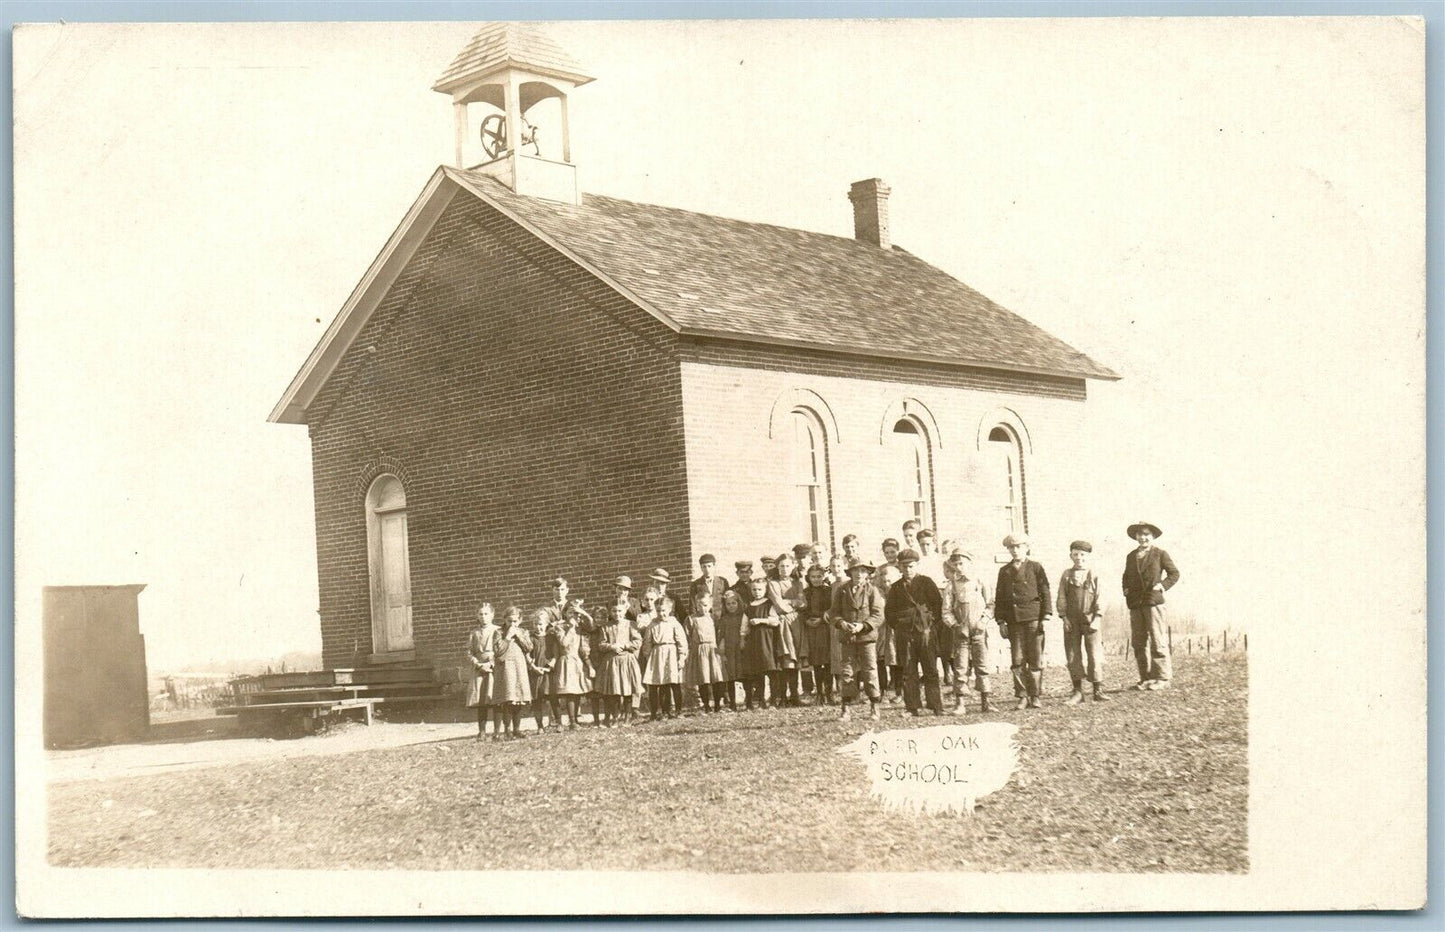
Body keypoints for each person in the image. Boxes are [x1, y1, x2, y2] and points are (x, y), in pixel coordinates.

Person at [995, 533, 1052, 710]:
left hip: (1033, 618)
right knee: (1017, 659)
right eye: (1011, 547)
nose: (1015, 550)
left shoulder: (1036, 567)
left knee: (1035, 658)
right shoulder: (1004, 571)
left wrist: (1046, 616)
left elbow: (1045, 592)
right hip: (1014, 621)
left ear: (1027, 547)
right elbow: (1000, 598)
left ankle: (1035, 696)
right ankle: (1022, 696)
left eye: (1019, 547)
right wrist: (1001, 621)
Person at [886, 549, 945, 716]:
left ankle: (936, 706)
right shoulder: (896, 587)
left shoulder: (926, 582)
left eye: (911, 566)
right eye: (904, 567)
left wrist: (929, 625)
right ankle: (912, 707)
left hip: (925, 632)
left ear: (917, 565)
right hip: (905, 635)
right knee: (908, 670)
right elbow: (889, 612)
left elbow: (937, 606)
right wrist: (900, 625)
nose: (908, 570)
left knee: (930, 669)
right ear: (899, 567)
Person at [1122, 521, 1180, 690]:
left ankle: (1161, 678)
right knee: (1138, 642)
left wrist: (1162, 585)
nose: (1143, 537)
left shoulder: (1160, 554)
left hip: (1153, 602)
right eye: (1140, 534)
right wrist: (1126, 589)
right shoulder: (1131, 556)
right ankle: (1145, 678)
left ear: (1152, 536)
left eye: (1147, 534)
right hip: (1135, 604)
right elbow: (1125, 576)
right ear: (1136, 537)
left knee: (1157, 639)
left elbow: (1174, 573)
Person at [831, 558, 884, 721]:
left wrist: (863, 626)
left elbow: (878, 615)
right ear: (850, 572)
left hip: (866, 637)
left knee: (869, 671)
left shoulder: (872, 590)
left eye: (862, 571)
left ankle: (875, 706)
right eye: (855, 571)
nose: (859, 574)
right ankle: (845, 708)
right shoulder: (842, 590)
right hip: (848, 637)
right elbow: (834, 613)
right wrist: (842, 623)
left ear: (868, 573)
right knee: (847, 671)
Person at [942, 551, 994, 714]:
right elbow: (946, 611)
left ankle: (986, 702)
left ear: (970, 563)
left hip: (978, 630)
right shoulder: (951, 585)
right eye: (955, 565)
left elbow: (991, 604)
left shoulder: (980, 581)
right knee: (960, 666)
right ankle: (960, 703)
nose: (958, 568)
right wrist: (955, 625)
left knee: (982, 664)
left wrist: (983, 621)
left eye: (961, 564)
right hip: (961, 633)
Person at [1057, 540, 1107, 705]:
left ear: (1088, 556)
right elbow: (1062, 597)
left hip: (1090, 620)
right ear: (1071, 555)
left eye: (1082, 555)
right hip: (1072, 621)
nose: (1079, 558)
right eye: (1075, 554)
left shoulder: (1094, 573)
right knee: (1072, 655)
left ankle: (1097, 690)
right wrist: (1064, 617)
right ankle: (1078, 691)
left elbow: (1101, 596)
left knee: (1094, 654)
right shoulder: (1066, 574)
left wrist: (1098, 618)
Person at [640, 591, 689, 720]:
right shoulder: (652, 624)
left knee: (674, 684)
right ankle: (664, 711)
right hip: (657, 655)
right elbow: (647, 642)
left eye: (663, 610)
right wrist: (648, 657)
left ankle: (678, 710)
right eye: (658, 611)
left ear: (670, 609)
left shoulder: (674, 623)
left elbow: (681, 641)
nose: (661, 614)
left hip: (671, 654)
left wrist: (682, 657)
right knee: (662, 685)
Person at [489, 606, 535, 740]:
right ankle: (507, 729)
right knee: (508, 698)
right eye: (509, 621)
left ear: (520, 621)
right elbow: (498, 650)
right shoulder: (499, 632)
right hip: (506, 668)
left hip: (519, 666)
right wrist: (508, 637)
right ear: (504, 620)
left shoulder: (523, 632)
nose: (512, 624)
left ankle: (517, 729)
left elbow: (529, 647)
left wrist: (519, 636)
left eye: (515, 621)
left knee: (519, 698)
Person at [593, 604, 642, 727]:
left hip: (627, 660)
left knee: (628, 689)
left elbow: (637, 641)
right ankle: (615, 717)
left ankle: (627, 717)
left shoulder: (631, 624)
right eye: (614, 611)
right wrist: (612, 646)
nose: (617, 613)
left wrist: (625, 645)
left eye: (620, 611)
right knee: (614, 690)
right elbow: (601, 644)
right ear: (610, 612)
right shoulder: (606, 627)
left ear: (625, 610)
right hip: (612, 661)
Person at [768, 552, 806, 705]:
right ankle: (782, 696)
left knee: (795, 657)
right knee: (784, 658)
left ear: (793, 566)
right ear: (777, 567)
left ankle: (795, 695)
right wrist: (793, 602)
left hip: (796, 623)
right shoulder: (773, 583)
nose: (784, 569)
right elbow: (779, 605)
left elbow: (803, 603)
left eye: (787, 566)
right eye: (781, 566)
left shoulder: (797, 583)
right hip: (782, 623)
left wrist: (790, 602)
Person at [741, 575, 784, 709]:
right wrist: (742, 638)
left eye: (759, 589)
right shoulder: (749, 607)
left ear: (765, 590)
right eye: (754, 590)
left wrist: (761, 620)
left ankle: (773, 700)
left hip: (768, 640)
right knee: (759, 671)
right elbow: (744, 626)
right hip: (755, 642)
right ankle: (761, 701)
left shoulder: (769, 604)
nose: (757, 592)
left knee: (771, 670)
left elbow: (775, 621)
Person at [548, 603, 593, 728]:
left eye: (575, 613)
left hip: (577, 661)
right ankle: (572, 720)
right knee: (569, 692)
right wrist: (571, 629)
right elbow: (564, 644)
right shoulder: (560, 627)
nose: (573, 616)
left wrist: (583, 613)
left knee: (577, 691)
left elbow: (592, 626)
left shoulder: (580, 627)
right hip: (566, 660)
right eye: (570, 613)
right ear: (565, 614)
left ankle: (575, 720)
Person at [685, 591, 728, 712]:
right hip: (699, 650)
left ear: (709, 605)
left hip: (713, 650)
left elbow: (720, 633)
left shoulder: (714, 618)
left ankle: (718, 704)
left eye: (704, 605)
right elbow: (687, 636)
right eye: (699, 605)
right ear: (696, 605)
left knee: (716, 677)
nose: (702, 608)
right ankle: (706, 704)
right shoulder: (691, 619)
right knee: (703, 679)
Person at [800, 564, 836, 705]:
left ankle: (829, 693)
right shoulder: (805, 592)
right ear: (808, 578)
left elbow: (833, 608)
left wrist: (822, 618)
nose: (816, 579)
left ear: (823, 576)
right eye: (813, 577)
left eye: (819, 576)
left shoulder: (829, 590)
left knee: (827, 662)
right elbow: (801, 610)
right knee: (815, 662)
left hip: (825, 627)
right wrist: (807, 621)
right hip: (811, 629)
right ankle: (819, 693)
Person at [465, 603, 499, 739]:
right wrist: (477, 663)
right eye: (481, 614)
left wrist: (491, 663)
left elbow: (501, 650)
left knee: (496, 698)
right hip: (479, 669)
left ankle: (497, 730)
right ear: (477, 616)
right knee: (481, 700)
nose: (483, 617)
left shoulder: (498, 630)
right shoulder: (474, 633)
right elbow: (469, 652)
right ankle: (482, 731)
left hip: (494, 668)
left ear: (492, 615)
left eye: (486, 614)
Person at [875, 558, 904, 703]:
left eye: (890, 582)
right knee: (880, 660)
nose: (887, 585)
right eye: (885, 581)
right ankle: (882, 691)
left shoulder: (900, 591)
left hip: (895, 631)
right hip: (881, 631)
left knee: (896, 660)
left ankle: (899, 691)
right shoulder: (878, 593)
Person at [528, 610, 558, 732]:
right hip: (535, 672)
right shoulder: (530, 638)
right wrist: (533, 667)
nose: (538, 627)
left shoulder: (550, 637)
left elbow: (556, 654)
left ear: (546, 624)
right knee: (537, 699)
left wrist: (551, 664)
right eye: (535, 624)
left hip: (548, 671)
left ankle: (558, 722)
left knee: (553, 697)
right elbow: (527, 655)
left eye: (540, 624)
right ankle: (540, 726)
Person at [717, 588, 746, 711]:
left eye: (734, 603)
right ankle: (732, 703)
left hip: (742, 649)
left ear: (738, 603)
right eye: (728, 604)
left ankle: (749, 700)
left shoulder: (743, 617)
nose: (731, 606)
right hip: (730, 650)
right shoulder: (724, 619)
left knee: (745, 674)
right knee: (731, 677)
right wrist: (722, 652)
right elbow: (721, 636)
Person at [689, 554, 729, 622]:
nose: (707, 569)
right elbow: (692, 605)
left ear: (714, 566)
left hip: (721, 619)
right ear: (701, 568)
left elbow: (728, 600)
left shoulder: (723, 582)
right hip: (704, 620)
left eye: (709, 566)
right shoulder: (696, 584)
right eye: (704, 567)